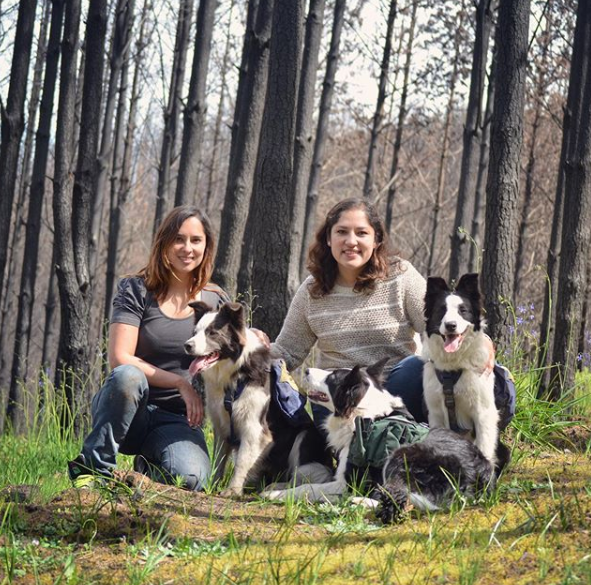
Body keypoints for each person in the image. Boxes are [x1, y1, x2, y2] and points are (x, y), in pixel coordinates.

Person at [68, 205, 229, 491]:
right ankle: (93, 467)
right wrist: (180, 382)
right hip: (127, 410)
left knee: (192, 481)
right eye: (178, 239)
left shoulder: (215, 300)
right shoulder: (136, 289)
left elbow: (233, 354)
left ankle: (147, 467)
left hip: (176, 420)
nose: (187, 248)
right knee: (128, 376)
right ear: (164, 243)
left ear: (207, 246)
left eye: (196, 240)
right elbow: (120, 358)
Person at [271, 197, 431, 422]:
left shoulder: (401, 277)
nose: (351, 241)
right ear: (328, 238)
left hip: (392, 393)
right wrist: (247, 353)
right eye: (342, 232)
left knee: (417, 366)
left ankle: (405, 440)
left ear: (376, 239)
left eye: (361, 233)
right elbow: (287, 352)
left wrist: (477, 342)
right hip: (337, 400)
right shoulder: (311, 290)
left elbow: (436, 327)